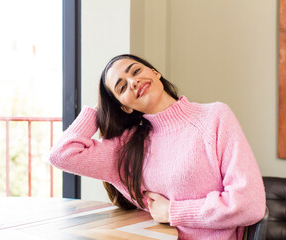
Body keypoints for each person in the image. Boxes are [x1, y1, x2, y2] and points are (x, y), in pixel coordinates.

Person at [49, 54, 266, 240]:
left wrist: (173, 212)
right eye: (122, 86)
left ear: (155, 73)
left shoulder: (215, 117)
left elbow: (250, 204)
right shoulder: (126, 147)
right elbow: (62, 154)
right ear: (124, 107)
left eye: (135, 71)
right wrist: (99, 109)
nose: (133, 82)